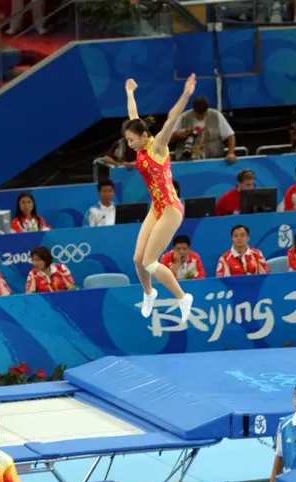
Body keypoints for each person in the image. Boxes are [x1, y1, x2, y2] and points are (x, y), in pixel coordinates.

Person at [124, 74, 196, 322]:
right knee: (137, 260)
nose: (130, 145)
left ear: (144, 136)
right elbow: (133, 114)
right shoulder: (139, 138)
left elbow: (172, 119)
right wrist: (130, 92)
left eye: (131, 140)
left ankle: (182, 297)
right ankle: (149, 293)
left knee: (150, 261)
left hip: (171, 210)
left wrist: (186, 94)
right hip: (156, 207)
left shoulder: (157, 147)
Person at [171, 96, 236, 163]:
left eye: (203, 114)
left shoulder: (216, 115)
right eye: (198, 114)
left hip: (213, 160)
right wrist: (175, 135)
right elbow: (167, 139)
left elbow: (230, 135)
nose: (201, 116)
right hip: (187, 161)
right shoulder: (184, 117)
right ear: (194, 110)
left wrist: (231, 153)